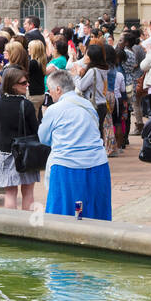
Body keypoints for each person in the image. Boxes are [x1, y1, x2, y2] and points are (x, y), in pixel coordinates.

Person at [38, 70, 112, 220]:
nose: (49, 93)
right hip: (97, 164)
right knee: (96, 214)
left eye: (49, 89)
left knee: (62, 215)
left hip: (66, 166)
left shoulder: (54, 109)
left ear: (58, 89)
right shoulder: (88, 105)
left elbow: (43, 138)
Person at [0, 66, 40, 211]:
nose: (27, 85)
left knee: (10, 193)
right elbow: (35, 130)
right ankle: (27, 227)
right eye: (23, 83)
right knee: (28, 191)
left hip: (4, 152)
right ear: (13, 86)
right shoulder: (27, 105)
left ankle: (11, 228)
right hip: (26, 153)